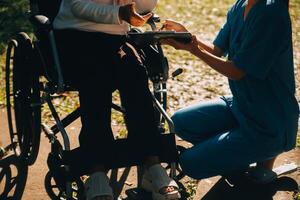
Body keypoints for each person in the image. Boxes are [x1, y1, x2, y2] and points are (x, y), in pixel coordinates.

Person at [52, 0, 180, 199]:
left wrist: (138, 9)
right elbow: (78, 6)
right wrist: (119, 13)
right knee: (95, 77)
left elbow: (144, 8)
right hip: (75, 34)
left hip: (115, 37)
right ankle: (96, 171)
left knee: (136, 72)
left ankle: (152, 164)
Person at [161, 0, 299, 182]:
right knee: (179, 121)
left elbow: (236, 71)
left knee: (189, 163)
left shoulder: (271, 12)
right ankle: (240, 158)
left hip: (269, 124)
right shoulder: (240, 5)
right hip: (241, 106)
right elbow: (217, 50)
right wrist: (186, 36)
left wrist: (193, 49)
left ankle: (259, 158)